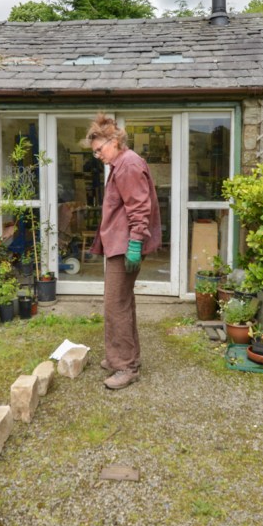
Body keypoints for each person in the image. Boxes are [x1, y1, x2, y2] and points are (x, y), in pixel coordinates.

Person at [86, 113, 162, 390]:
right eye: (94, 152)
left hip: (125, 245)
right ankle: (124, 357)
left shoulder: (128, 164)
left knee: (115, 305)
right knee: (122, 303)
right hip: (118, 243)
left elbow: (140, 208)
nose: (97, 156)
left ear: (114, 141)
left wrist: (134, 243)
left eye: (99, 150)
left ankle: (125, 367)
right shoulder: (121, 163)